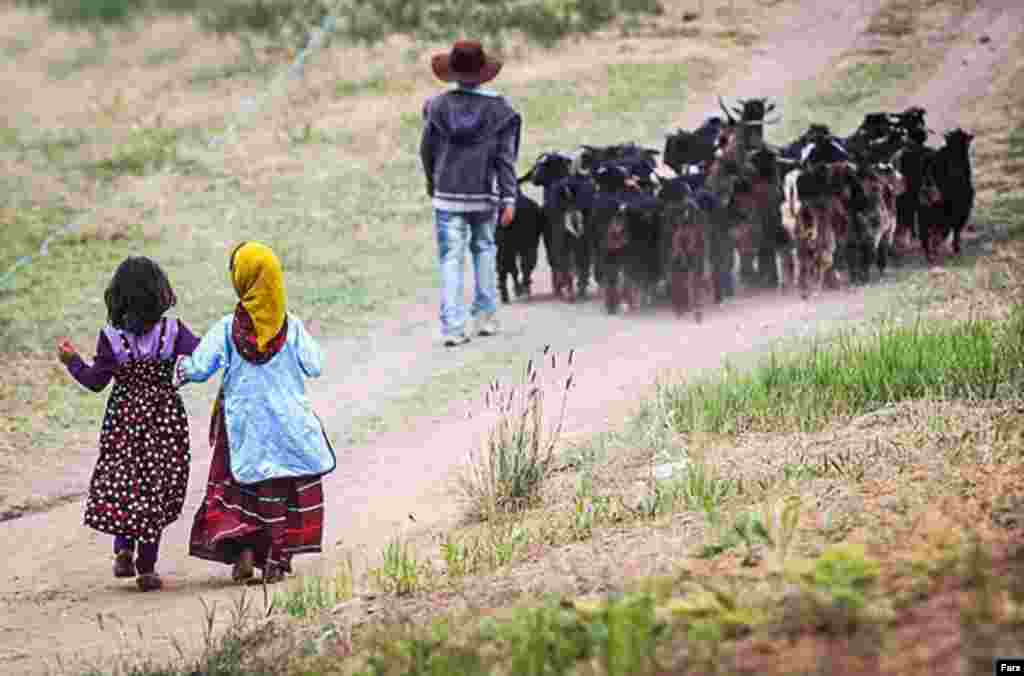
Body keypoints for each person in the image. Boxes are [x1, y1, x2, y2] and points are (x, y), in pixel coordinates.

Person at [173, 241, 335, 585]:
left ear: (241, 280)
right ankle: (277, 559)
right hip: (288, 427)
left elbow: (199, 368)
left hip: (243, 428)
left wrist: (180, 367)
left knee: (242, 491)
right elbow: (315, 365)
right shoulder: (291, 327)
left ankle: (244, 552)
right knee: (283, 490)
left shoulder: (225, 329)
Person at [57, 256, 199, 592]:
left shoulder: (110, 338)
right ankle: (147, 569)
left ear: (117, 298)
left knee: (127, 484)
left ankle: (123, 549)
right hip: (165, 423)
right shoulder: (174, 331)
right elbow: (201, 358)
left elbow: (95, 382)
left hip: (123, 421)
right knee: (156, 489)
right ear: (161, 293)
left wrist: (72, 361)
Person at [420, 39, 522, 347]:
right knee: (485, 249)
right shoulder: (500, 110)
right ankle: (486, 316)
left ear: (452, 71)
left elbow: (427, 151)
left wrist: (432, 182)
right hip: (484, 195)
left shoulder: (437, 106)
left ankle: (453, 327)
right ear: (483, 72)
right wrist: (509, 197)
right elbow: (506, 158)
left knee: (451, 258)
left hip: (447, 193)